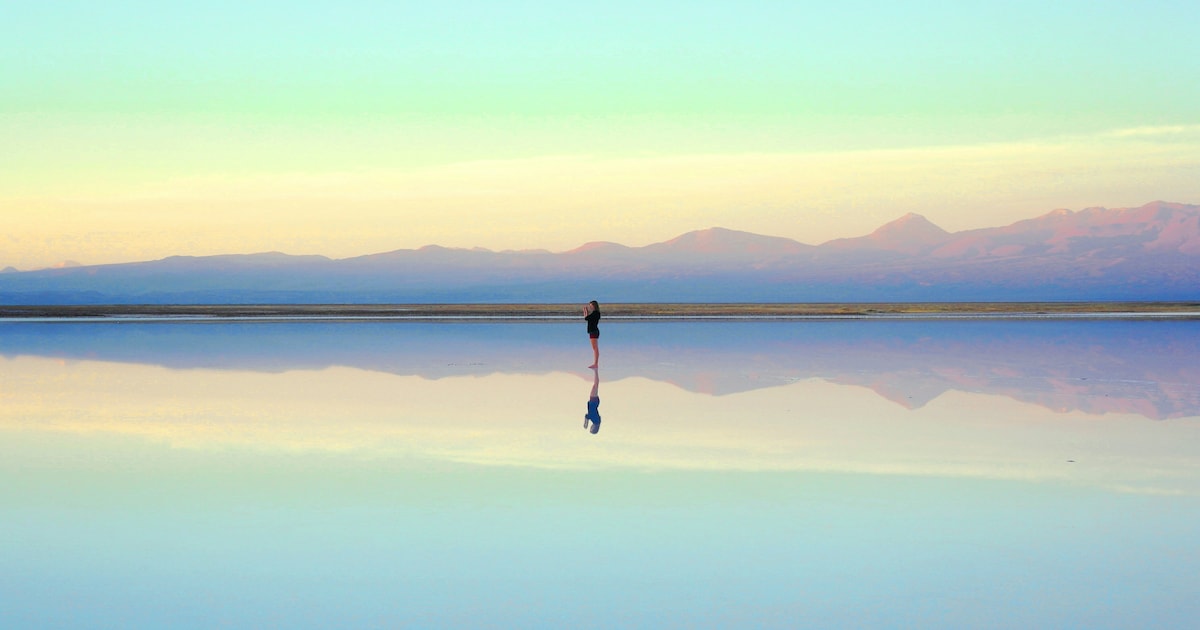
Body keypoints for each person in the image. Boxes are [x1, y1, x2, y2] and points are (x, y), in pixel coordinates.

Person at [583, 300, 601, 368]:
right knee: (595, 348)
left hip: (594, 331)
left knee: (595, 348)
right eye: (589, 306)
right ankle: (595, 363)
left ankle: (596, 364)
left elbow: (586, 318)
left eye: (591, 306)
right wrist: (586, 311)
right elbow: (587, 318)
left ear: (594, 306)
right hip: (593, 331)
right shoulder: (595, 313)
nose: (590, 307)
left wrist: (586, 311)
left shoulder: (595, 313)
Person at [584, 368, 601, 434]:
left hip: (594, 402)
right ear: (594, 428)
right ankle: (596, 370)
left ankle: (595, 370)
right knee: (595, 385)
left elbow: (588, 415)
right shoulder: (595, 420)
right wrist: (586, 424)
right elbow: (588, 415)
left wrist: (586, 422)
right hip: (593, 402)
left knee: (595, 385)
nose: (590, 427)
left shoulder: (596, 421)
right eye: (591, 429)